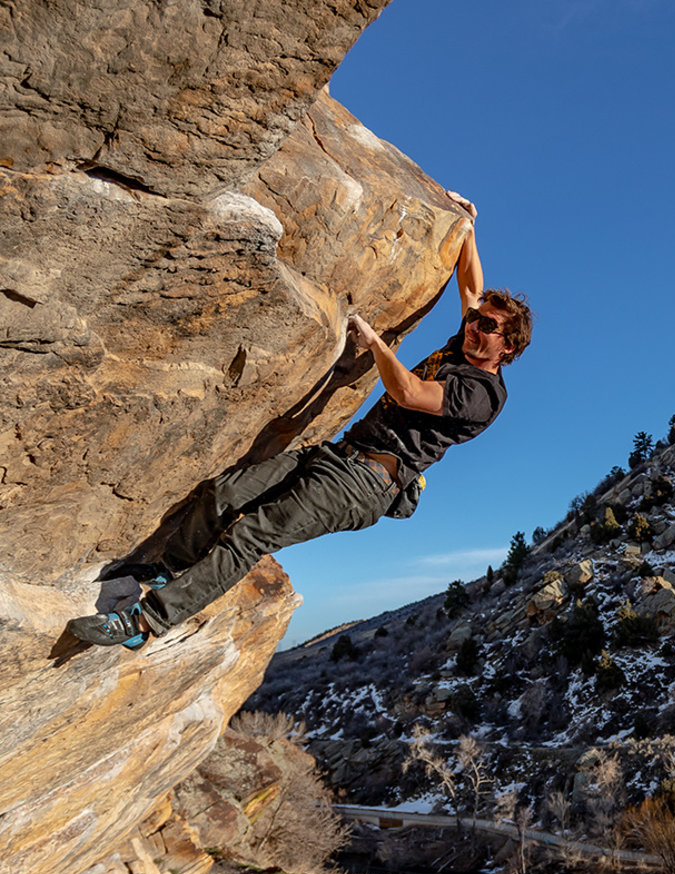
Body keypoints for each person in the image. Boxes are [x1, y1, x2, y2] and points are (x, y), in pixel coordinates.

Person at [68, 191, 532, 649]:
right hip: (337, 457)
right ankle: (168, 569)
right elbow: (471, 287)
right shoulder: (466, 343)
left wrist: (374, 343)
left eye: (488, 327)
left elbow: (409, 392)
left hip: (365, 484)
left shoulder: (483, 393)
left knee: (251, 532)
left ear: (507, 346)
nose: (474, 326)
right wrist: (468, 226)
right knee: (225, 492)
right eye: (475, 320)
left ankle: (144, 624)